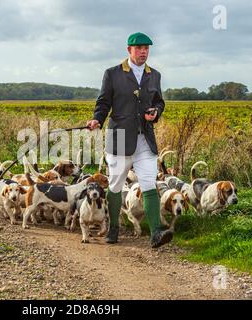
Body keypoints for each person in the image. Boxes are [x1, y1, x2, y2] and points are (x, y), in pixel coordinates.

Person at [87, 32, 173, 248]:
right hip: (120, 137)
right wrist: (97, 119)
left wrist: (156, 112)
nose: (144, 52)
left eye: (147, 48)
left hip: (145, 139)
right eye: (139, 48)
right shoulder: (113, 74)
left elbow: (159, 102)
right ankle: (114, 229)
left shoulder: (154, 75)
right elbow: (103, 102)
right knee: (115, 185)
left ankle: (155, 234)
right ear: (129, 50)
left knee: (148, 182)